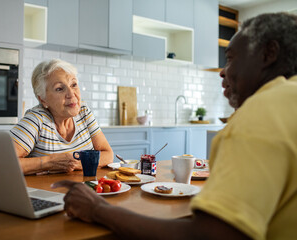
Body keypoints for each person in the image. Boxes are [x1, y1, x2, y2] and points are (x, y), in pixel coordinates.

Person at [51, 12, 297, 240]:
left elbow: (210, 235)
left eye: (231, 59)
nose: (223, 72)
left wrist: (97, 209)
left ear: (268, 54)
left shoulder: (262, 112)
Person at [10, 59, 113, 175]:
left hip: (83, 188)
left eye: (73, 85)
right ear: (43, 99)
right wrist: (49, 162)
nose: (71, 94)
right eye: (59, 89)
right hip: (46, 191)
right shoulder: (36, 119)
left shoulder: (83, 112)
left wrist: (75, 163)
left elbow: (108, 154)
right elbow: (4, 162)